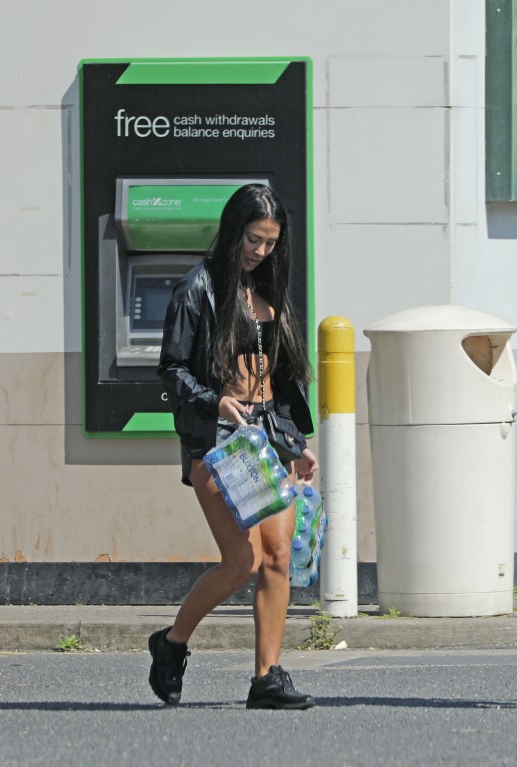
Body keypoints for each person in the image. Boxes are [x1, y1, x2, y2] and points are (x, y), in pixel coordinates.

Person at [151, 183, 319, 710]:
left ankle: (266, 677)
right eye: (253, 239)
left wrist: (296, 444)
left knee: (277, 558)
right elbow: (172, 370)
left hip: (268, 437)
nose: (260, 251)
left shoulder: (269, 287)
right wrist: (215, 400)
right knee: (241, 560)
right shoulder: (197, 289)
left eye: (270, 242)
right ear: (232, 231)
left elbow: (284, 380)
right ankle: (172, 643)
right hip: (221, 443)